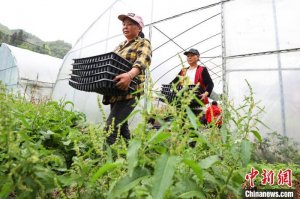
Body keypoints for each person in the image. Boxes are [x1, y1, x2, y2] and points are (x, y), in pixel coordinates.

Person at [103, 13, 152, 145]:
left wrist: (130, 75)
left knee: (110, 127)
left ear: (139, 28)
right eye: (124, 24)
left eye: (130, 24)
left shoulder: (143, 42)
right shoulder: (120, 46)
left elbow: (143, 60)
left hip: (130, 92)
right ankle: (132, 154)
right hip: (116, 92)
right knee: (122, 128)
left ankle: (104, 160)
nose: (126, 27)